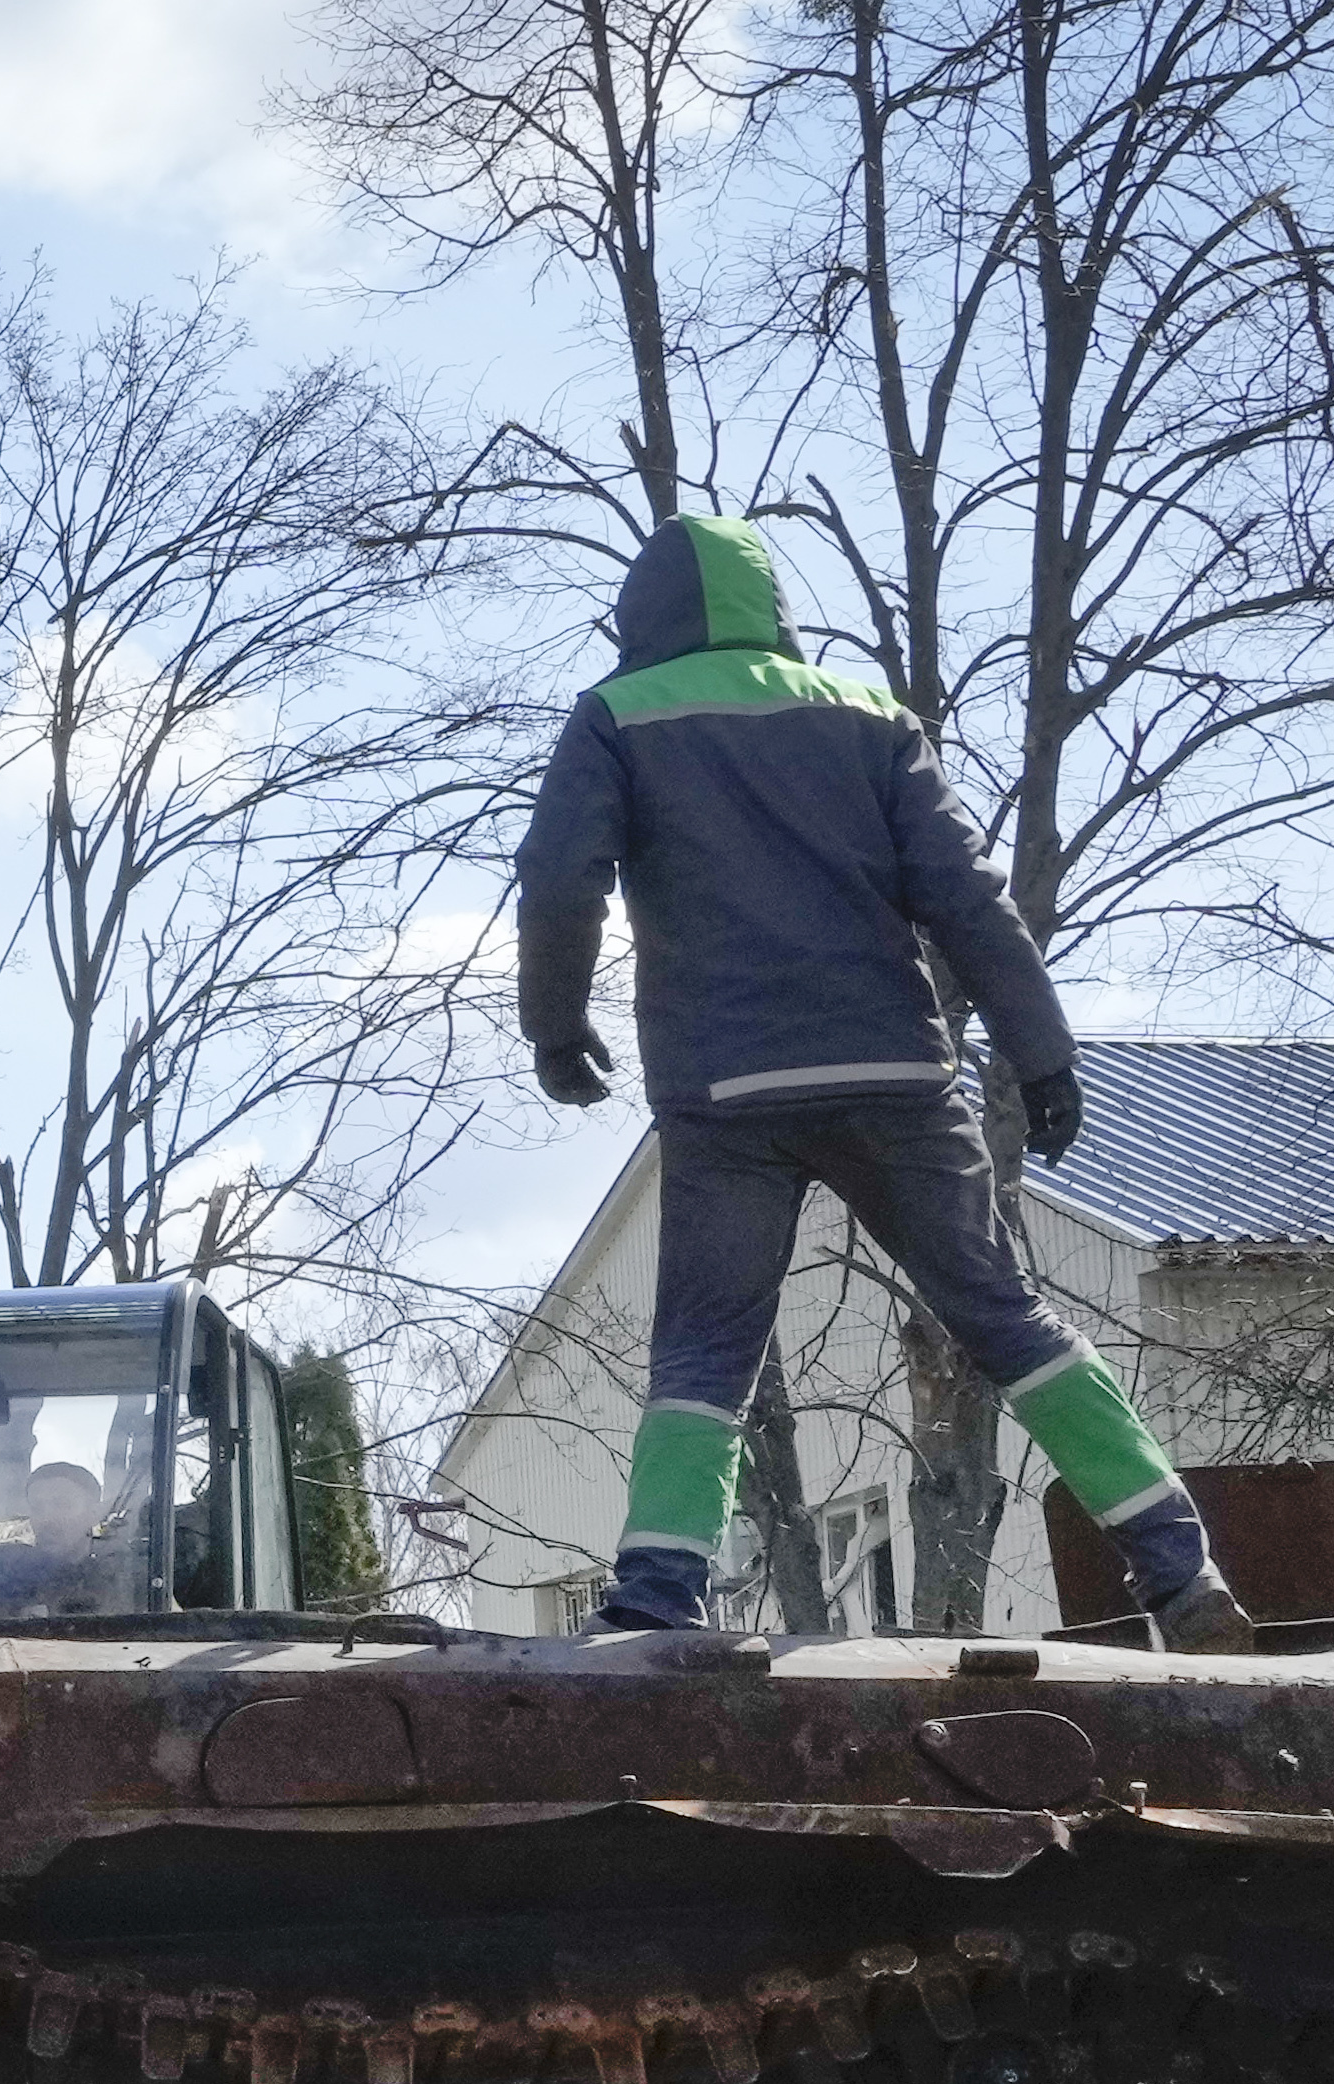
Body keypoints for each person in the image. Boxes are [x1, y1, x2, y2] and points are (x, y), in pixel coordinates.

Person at [512, 514, 1246, 1648]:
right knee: (1004, 1314)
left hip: (725, 1092)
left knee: (706, 1345)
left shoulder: (618, 716)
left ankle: (658, 1593)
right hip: (896, 1075)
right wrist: (1038, 1044)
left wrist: (555, 1027)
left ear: (636, 619)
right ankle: (1178, 1570)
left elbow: (562, 876)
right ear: (774, 610)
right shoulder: (866, 716)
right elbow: (962, 891)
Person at [0, 1458, 127, 1620]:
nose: (47, 1518)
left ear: (93, 1513)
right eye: (38, 1507)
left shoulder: (127, 1578)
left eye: (62, 1504)